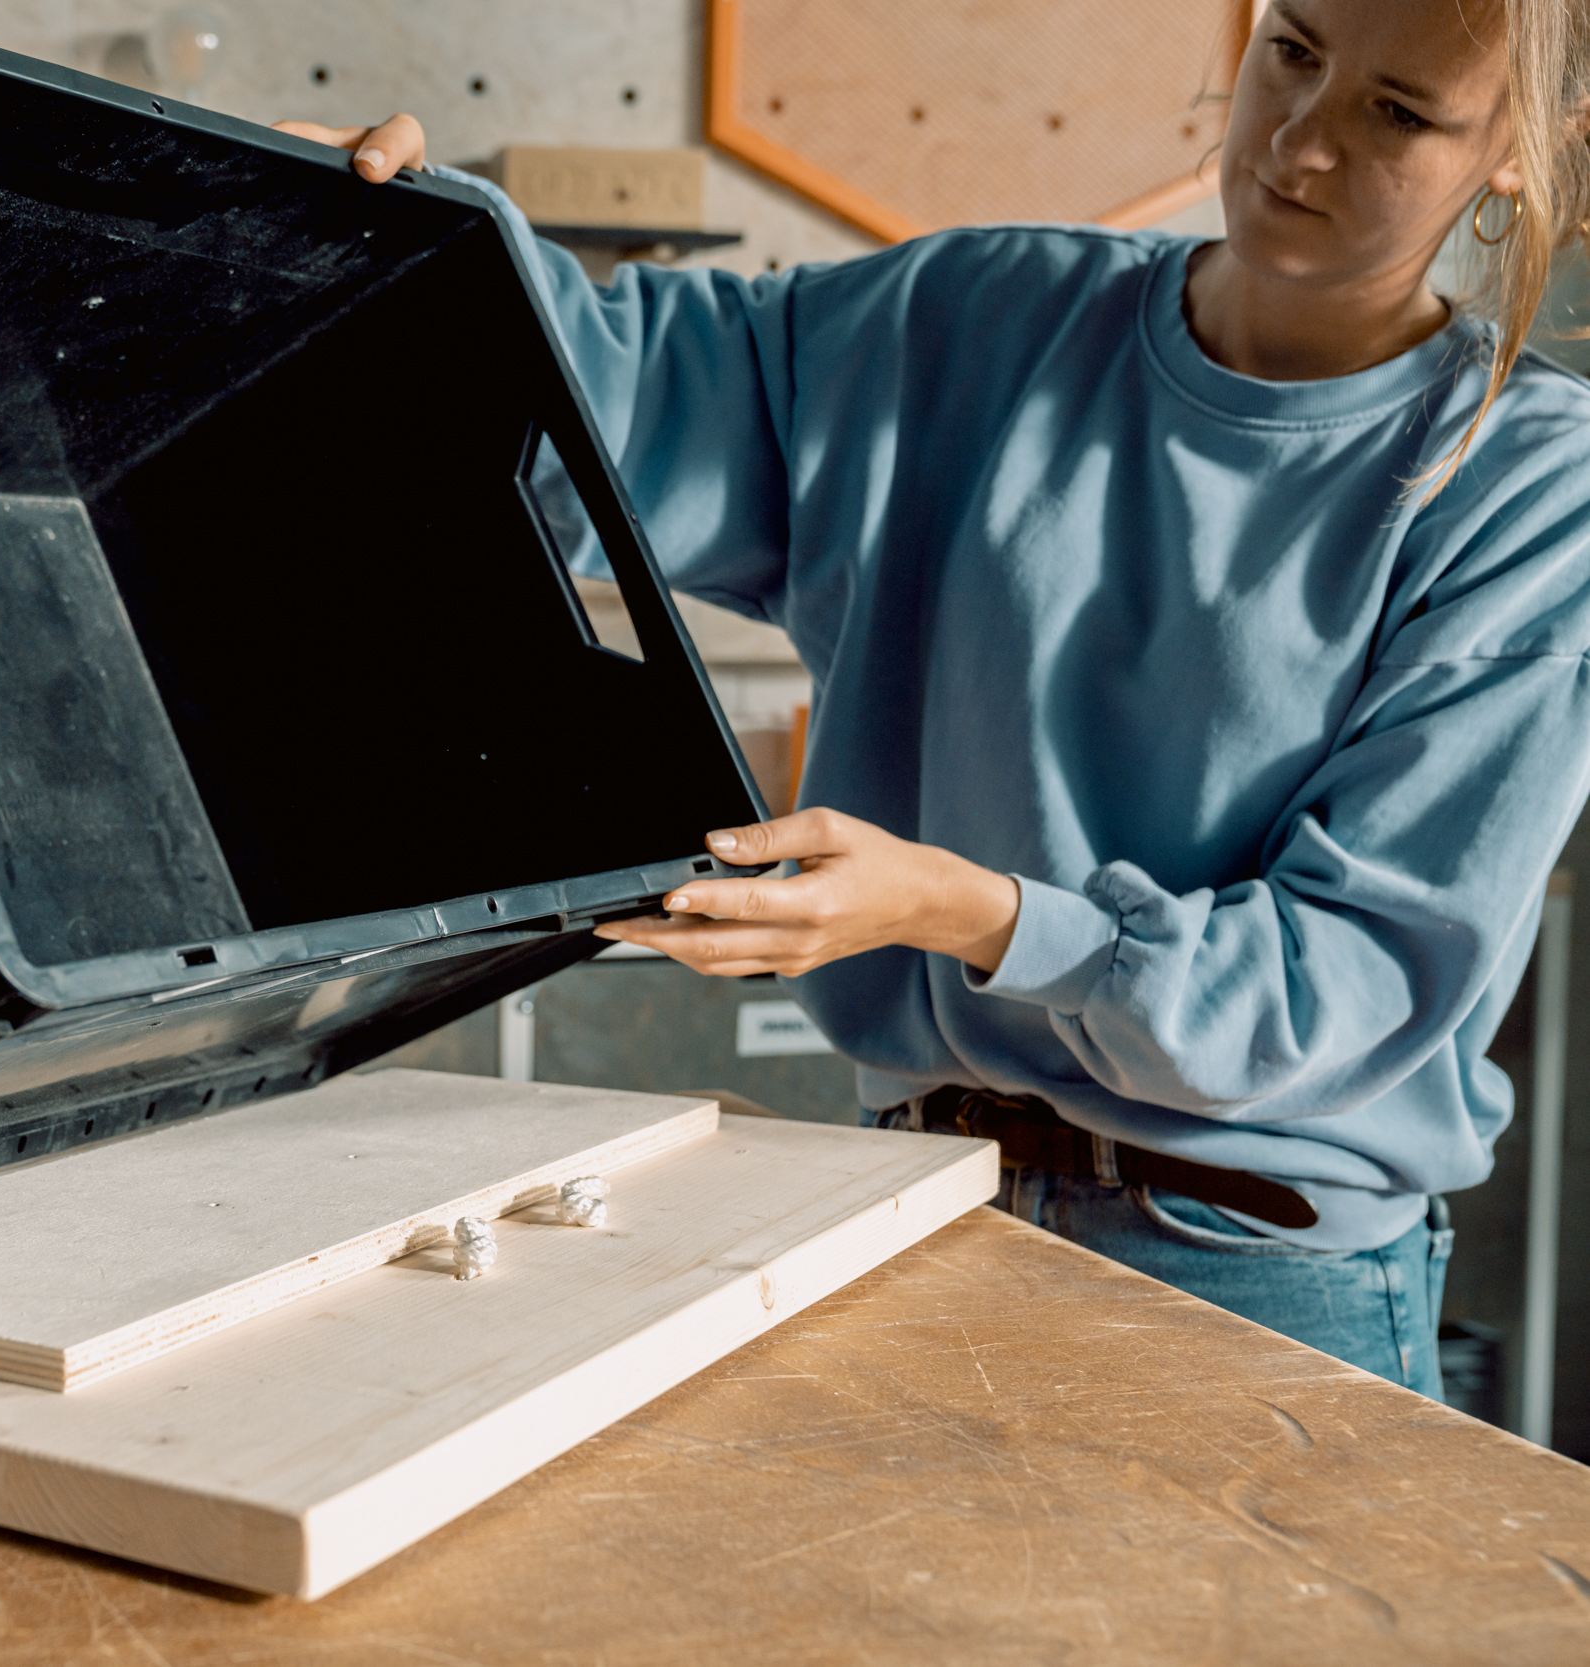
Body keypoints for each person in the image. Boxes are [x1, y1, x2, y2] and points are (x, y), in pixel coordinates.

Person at [281, 0, 1590, 1399]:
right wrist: (408, 245)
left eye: (1397, 113)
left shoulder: (1532, 493)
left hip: (1253, 1277)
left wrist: (966, 912)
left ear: (1526, 147)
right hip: (915, 1213)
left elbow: (1342, 982)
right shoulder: (977, 318)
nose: (1302, 141)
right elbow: (615, 391)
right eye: (1294, 52)